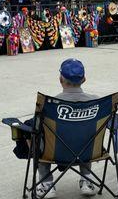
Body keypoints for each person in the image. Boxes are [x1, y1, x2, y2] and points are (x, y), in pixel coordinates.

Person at [33, 58, 98, 198]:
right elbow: (112, 126)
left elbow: (37, 128)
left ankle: (46, 184)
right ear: (84, 79)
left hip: (54, 153)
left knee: (37, 137)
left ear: (60, 79)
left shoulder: (49, 105)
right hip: (88, 152)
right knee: (87, 135)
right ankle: (87, 179)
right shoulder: (97, 103)